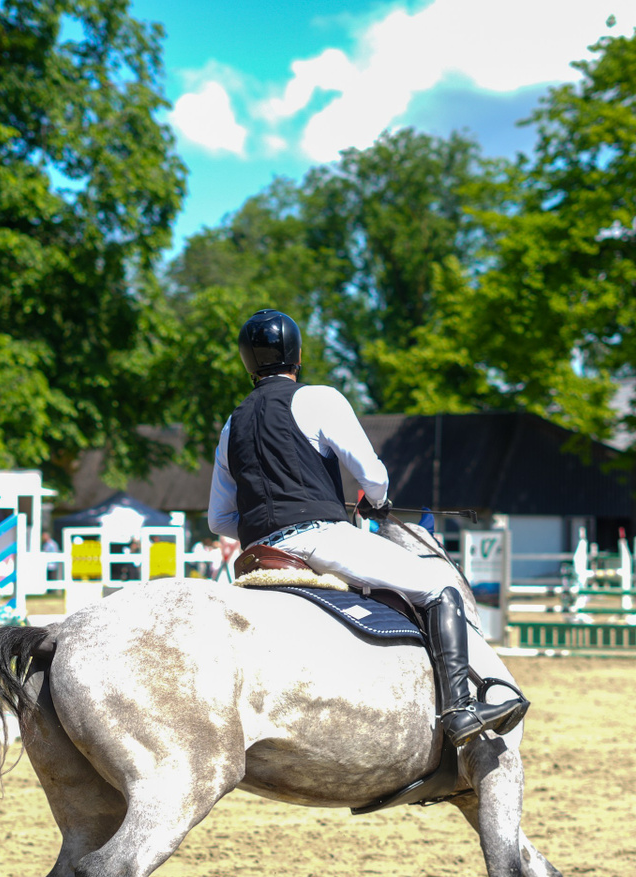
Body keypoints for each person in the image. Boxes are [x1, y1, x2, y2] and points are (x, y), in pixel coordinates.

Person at [207, 308, 528, 746]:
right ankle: (460, 708)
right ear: (297, 356)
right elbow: (373, 476)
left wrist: (266, 523)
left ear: (247, 363)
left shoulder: (232, 426)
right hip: (319, 540)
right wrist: (375, 502)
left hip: (259, 554)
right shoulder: (320, 399)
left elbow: (219, 519)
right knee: (438, 585)